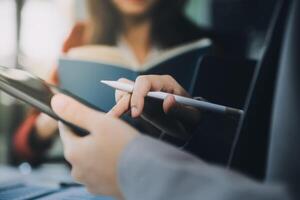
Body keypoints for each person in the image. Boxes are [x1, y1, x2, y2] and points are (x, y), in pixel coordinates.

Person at [13, 0, 210, 164]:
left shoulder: (201, 41)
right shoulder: (80, 38)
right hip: (94, 172)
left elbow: (225, 136)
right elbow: (21, 147)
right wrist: (52, 118)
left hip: (175, 172)